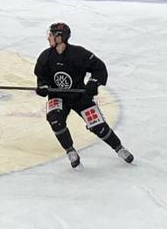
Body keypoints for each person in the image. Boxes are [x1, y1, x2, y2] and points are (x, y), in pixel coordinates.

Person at [34, 22, 134, 169]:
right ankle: (70, 151)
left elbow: (99, 68)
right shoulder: (46, 56)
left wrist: (93, 84)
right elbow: (41, 75)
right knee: (55, 119)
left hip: (80, 96)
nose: (48, 38)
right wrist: (42, 86)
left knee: (97, 125)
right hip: (58, 96)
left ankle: (119, 148)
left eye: (51, 35)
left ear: (60, 38)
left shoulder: (78, 54)